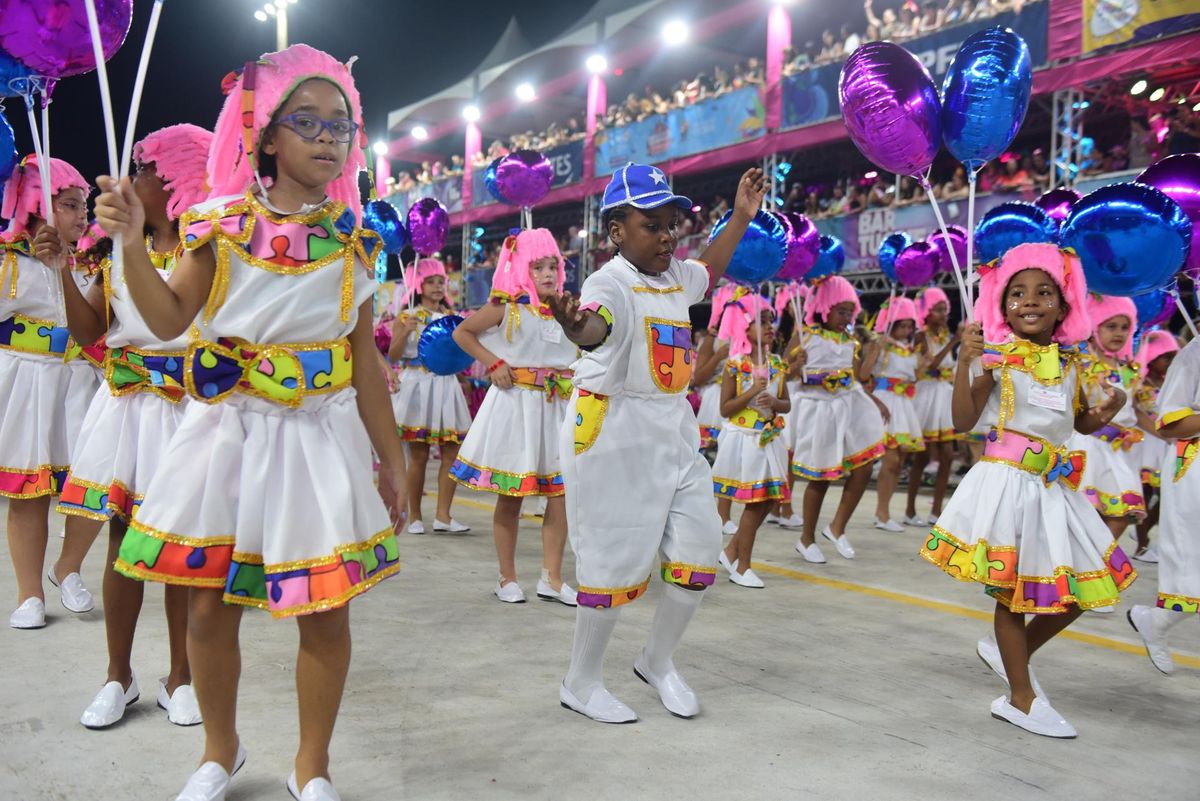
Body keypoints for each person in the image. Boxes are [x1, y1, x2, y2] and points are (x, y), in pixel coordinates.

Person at [96, 44, 407, 800]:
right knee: (208, 603)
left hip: (314, 442)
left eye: (342, 123)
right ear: (266, 135)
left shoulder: (355, 239)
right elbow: (169, 319)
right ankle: (219, 749)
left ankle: (312, 764)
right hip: (226, 435)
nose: (330, 137)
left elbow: (364, 361)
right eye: (309, 121)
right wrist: (132, 243)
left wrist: (392, 460)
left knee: (323, 609)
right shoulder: (218, 226)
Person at [549, 163, 766, 723]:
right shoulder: (608, 282)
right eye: (653, 224)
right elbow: (595, 328)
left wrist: (740, 218)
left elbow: (709, 268)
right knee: (612, 559)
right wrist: (576, 328)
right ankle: (581, 680)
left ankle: (657, 660)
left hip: (673, 428)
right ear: (617, 231)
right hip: (614, 433)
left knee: (698, 553)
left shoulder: (677, 277)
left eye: (673, 223)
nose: (668, 234)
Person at [922, 243, 1134, 738]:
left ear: (1064, 306)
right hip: (1008, 485)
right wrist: (964, 363)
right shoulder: (995, 358)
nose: (1030, 300)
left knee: (1085, 589)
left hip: (1054, 488)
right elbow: (962, 421)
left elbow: (1076, 421)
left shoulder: (1072, 361)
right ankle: (1020, 697)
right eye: (1017, 293)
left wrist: (1106, 411)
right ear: (1001, 306)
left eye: (1044, 292)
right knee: (1014, 594)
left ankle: (1011, 655)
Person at [47, 125, 212, 729]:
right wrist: (63, 269)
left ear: (173, 179)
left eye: (141, 164)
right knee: (123, 546)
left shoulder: (210, 247)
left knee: (180, 550)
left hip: (190, 413)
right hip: (126, 413)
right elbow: (90, 332)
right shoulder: (115, 249)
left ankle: (181, 678)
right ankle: (118, 676)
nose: (127, 173)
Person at [449, 228, 578, 605]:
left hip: (557, 409)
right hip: (516, 406)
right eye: (537, 266)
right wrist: (493, 362)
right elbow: (463, 333)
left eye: (552, 265)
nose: (547, 273)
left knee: (561, 495)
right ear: (522, 267)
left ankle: (552, 578)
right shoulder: (507, 305)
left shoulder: (568, 307)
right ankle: (506, 577)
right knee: (511, 495)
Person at [0, 155, 97, 629]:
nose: (83, 214)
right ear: (38, 205)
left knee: (95, 485)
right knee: (29, 492)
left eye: (85, 205)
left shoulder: (95, 260)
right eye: (71, 204)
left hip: (81, 383)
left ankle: (68, 567)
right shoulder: (8, 260)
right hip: (28, 383)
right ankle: (29, 594)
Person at [789, 275, 887, 563]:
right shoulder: (805, 336)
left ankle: (837, 527)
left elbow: (860, 377)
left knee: (865, 466)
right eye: (840, 310)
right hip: (818, 409)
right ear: (824, 307)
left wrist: (873, 358)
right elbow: (784, 375)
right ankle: (806, 539)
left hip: (848, 404)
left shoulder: (850, 340)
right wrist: (797, 365)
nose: (846, 317)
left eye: (850, 311)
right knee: (821, 478)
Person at [1127, 335, 1200, 674]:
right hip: (1193, 471)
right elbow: (1170, 423)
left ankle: (1155, 622)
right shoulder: (1193, 354)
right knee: (1190, 565)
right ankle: (1156, 622)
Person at [712, 297, 791, 588]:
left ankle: (732, 550)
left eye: (771, 321)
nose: (770, 327)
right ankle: (742, 566)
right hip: (745, 439)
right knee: (756, 502)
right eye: (763, 322)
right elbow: (725, 408)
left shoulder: (777, 364)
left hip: (770, 439)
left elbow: (787, 405)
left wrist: (775, 400)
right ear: (743, 328)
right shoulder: (735, 365)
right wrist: (751, 392)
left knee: (770, 500)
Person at [389, 258, 472, 534]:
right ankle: (414, 517)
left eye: (441, 281)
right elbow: (393, 355)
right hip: (418, 385)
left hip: (446, 386)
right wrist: (406, 331)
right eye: (431, 281)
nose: (438, 286)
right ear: (418, 284)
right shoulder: (406, 316)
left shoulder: (453, 318)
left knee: (452, 451)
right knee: (419, 455)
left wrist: (462, 377)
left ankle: (443, 516)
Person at [1071, 295, 1146, 542]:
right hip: (1087, 446)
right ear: (1095, 326)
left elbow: (1137, 410)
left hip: (1119, 453)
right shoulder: (1082, 362)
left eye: (1125, 327)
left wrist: (1163, 431)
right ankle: (1083, 567)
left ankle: (1095, 565)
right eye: (1111, 326)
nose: (1119, 333)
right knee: (1085, 513)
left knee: (1120, 515)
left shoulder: (1129, 369)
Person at [864, 297, 925, 531]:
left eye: (910, 325)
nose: (907, 330)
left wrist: (922, 359)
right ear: (891, 323)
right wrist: (874, 352)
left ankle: (884, 512)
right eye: (902, 325)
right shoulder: (881, 345)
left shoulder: (909, 349)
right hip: (885, 401)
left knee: (899, 463)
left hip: (904, 404)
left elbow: (915, 377)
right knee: (890, 462)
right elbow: (863, 374)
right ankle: (882, 513)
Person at [906, 288, 961, 525]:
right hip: (926, 396)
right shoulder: (921, 337)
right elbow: (932, 366)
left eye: (945, 310)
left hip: (943, 396)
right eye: (938, 310)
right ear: (926, 312)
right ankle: (909, 509)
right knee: (921, 457)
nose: (943, 314)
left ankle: (936, 511)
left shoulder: (946, 334)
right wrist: (955, 341)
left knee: (947, 455)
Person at [1130, 330, 1179, 561]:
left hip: (1165, 444)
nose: (1170, 362)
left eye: (1173, 357)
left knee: (1165, 495)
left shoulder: (1169, 381)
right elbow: (1140, 412)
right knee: (1146, 494)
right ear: (1152, 356)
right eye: (1166, 356)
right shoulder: (1141, 383)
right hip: (1146, 444)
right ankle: (1141, 544)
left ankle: (1145, 535)